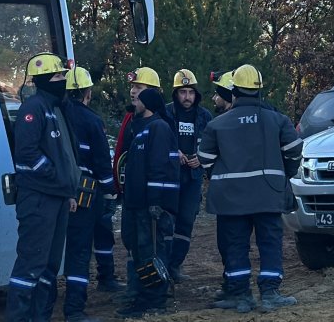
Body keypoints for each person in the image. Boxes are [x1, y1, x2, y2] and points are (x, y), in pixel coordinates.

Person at [199, 64, 303, 313]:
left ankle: (240, 296)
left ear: (234, 91)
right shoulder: (278, 120)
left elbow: (204, 159)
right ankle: (270, 294)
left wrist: (222, 175)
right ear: (259, 91)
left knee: (235, 244)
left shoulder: (218, 124)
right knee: (269, 242)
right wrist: (284, 174)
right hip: (268, 195)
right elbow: (294, 151)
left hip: (230, 198)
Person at [7, 53, 81, 322]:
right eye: (58, 76)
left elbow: (68, 155)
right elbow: (26, 153)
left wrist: (68, 191)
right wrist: (54, 177)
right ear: (45, 80)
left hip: (58, 198)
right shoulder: (34, 108)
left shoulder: (58, 109)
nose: (63, 80)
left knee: (50, 267)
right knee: (31, 265)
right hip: (39, 199)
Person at [117, 85, 180, 318]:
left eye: (139, 98)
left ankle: (155, 299)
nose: (135, 101)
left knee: (151, 250)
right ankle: (142, 296)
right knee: (140, 250)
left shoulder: (159, 128)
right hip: (136, 204)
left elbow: (158, 167)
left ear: (148, 104)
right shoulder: (141, 128)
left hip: (150, 206)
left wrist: (155, 201)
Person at [61, 66, 116, 322]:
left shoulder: (55, 114)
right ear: (88, 93)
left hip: (55, 192)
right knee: (80, 251)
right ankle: (74, 310)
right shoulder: (93, 121)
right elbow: (103, 164)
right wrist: (110, 193)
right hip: (85, 194)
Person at [165, 69, 213, 282]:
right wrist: (173, 152)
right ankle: (162, 265)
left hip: (193, 178)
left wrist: (201, 159)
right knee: (166, 221)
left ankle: (175, 265)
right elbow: (159, 140)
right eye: (182, 92)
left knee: (186, 222)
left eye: (190, 92)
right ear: (176, 93)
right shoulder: (165, 114)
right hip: (170, 177)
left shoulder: (205, 116)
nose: (187, 97)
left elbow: (212, 145)